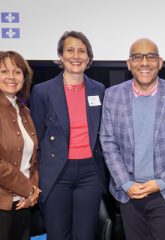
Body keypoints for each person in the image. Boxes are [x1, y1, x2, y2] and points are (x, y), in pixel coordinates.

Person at [100, 38, 165, 240]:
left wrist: (162, 182)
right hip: (130, 194)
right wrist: (126, 184)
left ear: (160, 62)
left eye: (151, 57)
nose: (144, 62)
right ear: (129, 63)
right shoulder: (112, 95)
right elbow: (108, 144)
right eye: (137, 57)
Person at [30, 31, 107, 240]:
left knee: (85, 235)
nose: (76, 56)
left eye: (82, 51)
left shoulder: (99, 90)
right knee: (57, 234)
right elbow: (36, 138)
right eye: (70, 50)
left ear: (89, 58)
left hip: (90, 173)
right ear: (61, 56)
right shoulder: (42, 91)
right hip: (56, 173)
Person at [0, 51, 41, 240]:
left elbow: (33, 161)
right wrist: (28, 189)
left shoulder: (25, 112)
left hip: (22, 204)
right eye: (3, 71)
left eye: (17, 72)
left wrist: (32, 192)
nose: (11, 77)